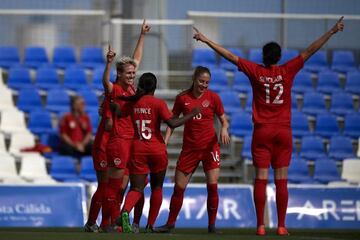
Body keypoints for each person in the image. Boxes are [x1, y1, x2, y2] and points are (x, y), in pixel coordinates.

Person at [192, 17, 345, 235]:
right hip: (283, 131)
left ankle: (261, 226)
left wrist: (206, 40)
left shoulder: (256, 71)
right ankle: (282, 225)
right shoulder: (287, 70)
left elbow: (230, 56)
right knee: (281, 179)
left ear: (263, 57)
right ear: (280, 57)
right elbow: (310, 50)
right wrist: (331, 31)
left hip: (262, 131)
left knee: (261, 178)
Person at [114, 72, 201, 233]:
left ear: (140, 86)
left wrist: (111, 105)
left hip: (138, 149)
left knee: (136, 188)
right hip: (157, 150)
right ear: (155, 87)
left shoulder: (133, 102)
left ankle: (124, 212)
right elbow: (173, 123)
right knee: (157, 187)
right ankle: (150, 225)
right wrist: (191, 114)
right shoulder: (158, 103)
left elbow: (119, 113)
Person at [155, 66, 230, 234]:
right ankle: (170, 224)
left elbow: (224, 120)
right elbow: (172, 122)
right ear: (194, 79)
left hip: (210, 148)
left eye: (207, 83)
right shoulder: (182, 98)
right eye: (201, 81)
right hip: (189, 149)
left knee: (212, 186)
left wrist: (224, 128)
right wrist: (165, 142)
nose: (204, 85)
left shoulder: (214, 98)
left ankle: (212, 226)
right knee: (178, 188)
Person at [101, 19, 151, 231]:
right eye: (128, 73)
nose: (132, 76)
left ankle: (115, 221)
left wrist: (142, 35)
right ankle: (108, 223)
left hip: (132, 143)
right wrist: (109, 63)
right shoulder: (115, 89)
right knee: (114, 186)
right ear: (119, 74)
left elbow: (136, 59)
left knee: (125, 186)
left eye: (133, 73)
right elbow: (105, 82)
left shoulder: (131, 88)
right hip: (119, 141)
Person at [84, 95, 112, 232]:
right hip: (103, 147)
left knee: (112, 187)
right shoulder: (111, 101)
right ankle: (91, 222)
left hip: (113, 147)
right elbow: (108, 125)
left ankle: (107, 222)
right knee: (104, 186)